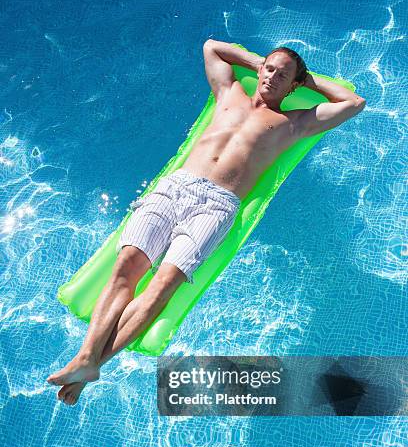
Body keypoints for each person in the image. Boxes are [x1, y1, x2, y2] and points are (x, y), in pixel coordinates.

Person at [47, 40, 366, 405]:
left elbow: (353, 103)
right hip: (175, 187)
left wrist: (305, 81)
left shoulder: (293, 123)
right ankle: (87, 356)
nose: (273, 77)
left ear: (294, 85)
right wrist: (260, 61)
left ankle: (94, 364)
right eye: (270, 70)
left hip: (216, 207)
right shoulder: (228, 92)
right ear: (261, 69)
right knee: (126, 267)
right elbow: (212, 47)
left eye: (284, 76)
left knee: (162, 286)